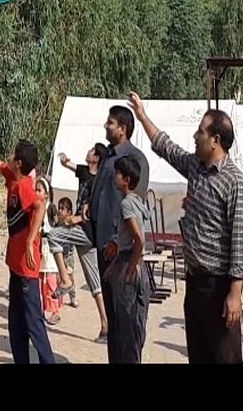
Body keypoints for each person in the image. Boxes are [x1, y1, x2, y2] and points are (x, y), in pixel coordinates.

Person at [128, 91, 243, 364]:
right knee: (199, 355)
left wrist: (235, 292)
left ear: (215, 141)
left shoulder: (236, 183)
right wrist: (142, 115)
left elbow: (241, 241)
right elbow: (166, 147)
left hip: (219, 286)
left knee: (226, 358)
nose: (195, 137)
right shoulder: (195, 167)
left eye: (200, 132)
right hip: (194, 282)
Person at [0, 110, 55, 364]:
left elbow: (41, 206)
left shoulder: (26, 186)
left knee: (34, 323)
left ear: (19, 163)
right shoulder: (12, 177)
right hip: (15, 265)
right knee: (16, 321)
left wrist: (31, 240)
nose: (9, 157)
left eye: (13, 155)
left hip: (27, 267)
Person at [89, 105, 150, 363]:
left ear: (123, 129)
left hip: (121, 254)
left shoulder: (133, 161)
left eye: (110, 123)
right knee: (115, 321)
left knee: (127, 324)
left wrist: (116, 240)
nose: (106, 126)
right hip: (106, 251)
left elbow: (134, 208)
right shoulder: (110, 157)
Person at [50, 143, 109, 341]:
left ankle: (65, 280)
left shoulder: (99, 182)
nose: (88, 151)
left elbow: (95, 208)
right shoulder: (85, 172)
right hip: (84, 234)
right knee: (95, 282)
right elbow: (71, 165)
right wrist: (65, 161)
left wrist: (78, 218)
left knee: (54, 235)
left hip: (86, 231)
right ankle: (105, 324)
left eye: (92, 150)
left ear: (97, 158)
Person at [103, 155, 151, 364]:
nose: (115, 177)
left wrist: (130, 267)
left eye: (118, 174)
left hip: (129, 265)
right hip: (132, 265)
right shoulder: (138, 202)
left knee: (127, 329)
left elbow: (137, 240)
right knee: (136, 327)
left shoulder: (126, 205)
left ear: (127, 179)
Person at [36, 177, 63, 326]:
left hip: (49, 246)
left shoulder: (50, 207)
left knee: (51, 280)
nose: (36, 193)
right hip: (40, 247)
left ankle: (54, 310)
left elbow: (56, 224)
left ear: (46, 194)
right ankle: (41, 307)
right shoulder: (35, 207)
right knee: (40, 280)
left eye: (39, 190)